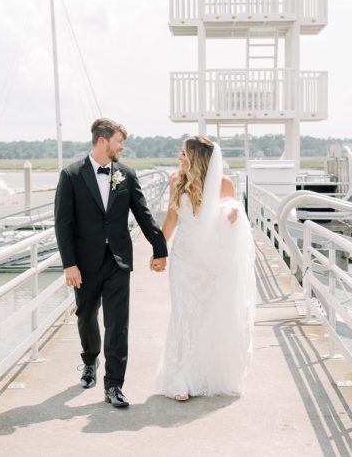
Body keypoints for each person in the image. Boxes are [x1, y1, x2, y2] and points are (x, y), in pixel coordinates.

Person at [54, 118, 168, 408]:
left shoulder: (126, 175)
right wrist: (69, 264)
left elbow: (143, 214)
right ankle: (90, 360)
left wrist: (159, 248)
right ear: (102, 141)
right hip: (84, 263)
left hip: (118, 261)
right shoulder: (71, 175)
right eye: (119, 141)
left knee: (118, 325)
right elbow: (63, 224)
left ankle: (114, 385)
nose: (122, 147)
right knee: (86, 316)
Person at [156, 136, 255, 400]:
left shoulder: (225, 183)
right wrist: (159, 250)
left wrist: (233, 217)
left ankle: (202, 374)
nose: (179, 158)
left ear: (196, 158)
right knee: (182, 315)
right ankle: (179, 377)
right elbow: (171, 218)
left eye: (183, 153)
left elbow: (231, 216)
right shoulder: (176, 180)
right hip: (183, 258)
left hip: (211, 261)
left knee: (206, 316)